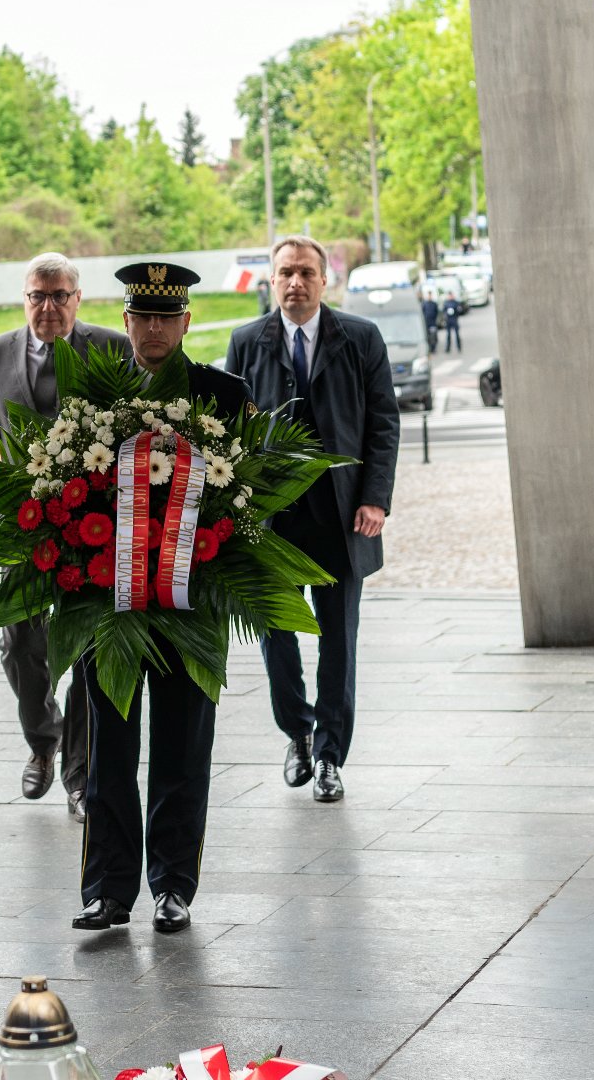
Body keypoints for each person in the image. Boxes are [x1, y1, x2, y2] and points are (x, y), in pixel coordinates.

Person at [73, 260, 253, 936]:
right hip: (108, 603)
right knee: (109, 751)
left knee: (182, 746)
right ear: (124, 322)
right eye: (141, 316)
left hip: (187, 600)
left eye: (165, 316)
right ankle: (108, 891)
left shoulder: (224, 395)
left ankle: (172, 887)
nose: (152, 328)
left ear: (185, 321)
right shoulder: (90, 397)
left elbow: (249, 497)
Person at [226, 234, 401, 804]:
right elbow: (227, 433)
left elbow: (383, 422)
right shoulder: (247, 342)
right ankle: (297, 731)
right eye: (285, 273)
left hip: (341, 517)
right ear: (271, 281)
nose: (295, 282)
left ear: (325, 280)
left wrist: (374, 498)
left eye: (305, 272)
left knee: (338, 642)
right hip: (272, 521)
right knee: (276, 635)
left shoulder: (360, 338)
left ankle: (329, 754)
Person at [0, 252, 131, 822]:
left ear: (77, 299)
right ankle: (42, 738)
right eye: (38, 295)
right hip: (22, 533)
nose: (49, 306)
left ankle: (79, 778)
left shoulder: (109, 346)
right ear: (24, 298)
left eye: (60, 295)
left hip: (93, 531)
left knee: (85, 652)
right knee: (18, 648)